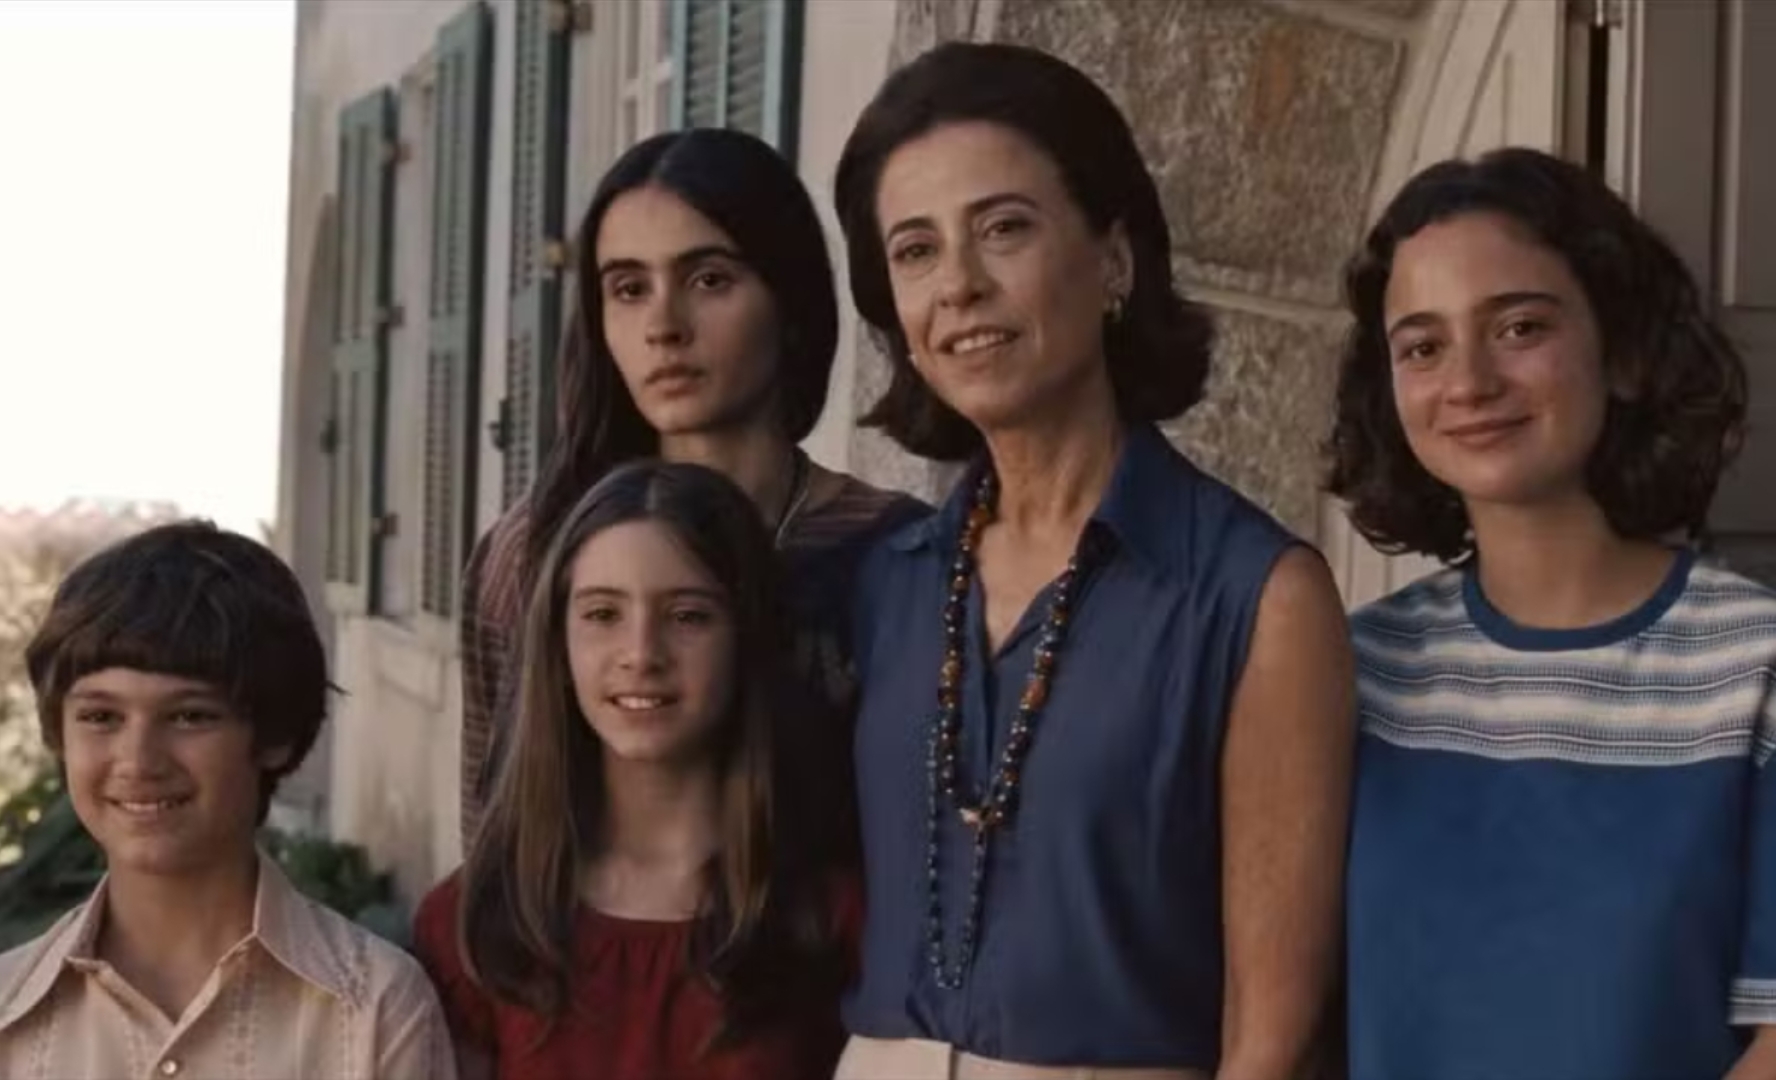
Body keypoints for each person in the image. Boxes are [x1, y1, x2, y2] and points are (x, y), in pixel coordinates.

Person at [830, 41, 1355, 1079]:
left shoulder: (1256, 599)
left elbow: (1270, 1030)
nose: (959, 285)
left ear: (1114, 260)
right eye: (915, 250)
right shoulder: (885, 581)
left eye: (1004, 229)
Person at [1328, 146, 1776, 1079]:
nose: (1468, 382)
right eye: (1423, 347)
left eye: (1519, 327)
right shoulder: (1349, 674)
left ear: (1625, 350)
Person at [460, 127, 923, 849]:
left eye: (709, 280)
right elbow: (491, 839)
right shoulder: (532, 553)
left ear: (791, 302)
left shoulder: (903, 559)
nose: (663, 327)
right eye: (629, 289)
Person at [414, 460, 859, 1080]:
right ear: (559, 643)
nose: (642, 654)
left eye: (688, 616)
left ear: (746, 635)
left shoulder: (832, 918)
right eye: (603, 615)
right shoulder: (475, 925)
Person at [1, 522, 454, 1080]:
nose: (139, 760)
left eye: (190, 716)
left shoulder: (374, 1011)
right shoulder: (10, 1015)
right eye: (101, 717)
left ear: (274, 735)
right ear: (59, 734)